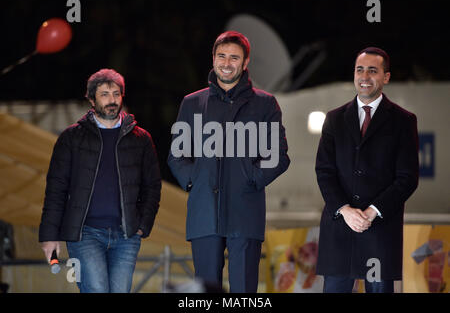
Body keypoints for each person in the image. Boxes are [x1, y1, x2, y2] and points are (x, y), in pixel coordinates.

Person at [168, 31, 290, 292]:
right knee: (206, 292)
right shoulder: (193, 103)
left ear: (245, 62)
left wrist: (252, 179)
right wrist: (194, 180)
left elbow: (278, 156)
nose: (226, 63)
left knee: (243, 293)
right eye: (221, 56)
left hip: (245, 211)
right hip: (204, 213)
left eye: (234, 57)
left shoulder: (265, 104)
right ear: (213, 59)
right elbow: (176, 154)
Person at [39, 69, 162, 293]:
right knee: (96, 290)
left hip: (127, 235)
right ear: (91, 99)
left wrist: (143, 226)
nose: (111, 100)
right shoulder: (71, 138)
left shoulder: (141, 139)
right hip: (84, 233)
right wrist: (49, 236)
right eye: (104, 94)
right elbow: (56, 189)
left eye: (116, 93)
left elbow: (152, 186)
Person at [315, 47, 419, 293]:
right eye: (359, 70)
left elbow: (407, 178)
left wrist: (372, 212)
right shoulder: (334, 119)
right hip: (339, 231)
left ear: (386, 77)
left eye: (372, 71)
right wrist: (345, 210)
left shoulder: (404, 121)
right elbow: (324, 171)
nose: (364, 76)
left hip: (380, 233)